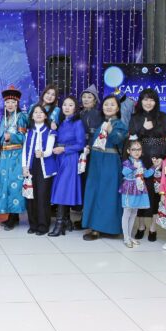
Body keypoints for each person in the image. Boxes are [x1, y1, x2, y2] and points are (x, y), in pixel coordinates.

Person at [82, 95, 128, 240]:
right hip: (96, 162)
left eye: (112, 104)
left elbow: (117, 140)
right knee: (94, 192)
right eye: (106, 104)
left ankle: (106, 228)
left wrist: (110, 130)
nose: (108, 107)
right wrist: (88, 148)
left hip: (110, 162)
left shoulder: (120, 124)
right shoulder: (100, 123)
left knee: (107, 194)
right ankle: (93, 226)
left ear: (118, 108)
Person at [129, 88, 166, 242]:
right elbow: (132, 139)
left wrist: (162, 158)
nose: (148, 102)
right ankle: (141, 226)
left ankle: (153, 227)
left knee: (155, 195)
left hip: (158, 161)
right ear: (140, 101)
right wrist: (143, 129)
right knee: (140, 192)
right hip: (140, 160)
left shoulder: (163, 117)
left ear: (156, 102)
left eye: (152, 99)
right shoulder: (135, 118)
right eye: (145, 99)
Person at [49, 97, 86, 236]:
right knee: (61, 189)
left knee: (62, 189)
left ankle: (59, 224)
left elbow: (80, 144)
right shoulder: (61, 123)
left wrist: (64, 149)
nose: (67, 107)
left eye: (70, 105)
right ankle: (66, 220)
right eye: (64, 104)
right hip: (59, 158)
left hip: (70, 158)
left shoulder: (77, 123)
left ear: (75, 108)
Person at [0, 86, 28, 231]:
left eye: (13, 102)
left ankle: (14, 217)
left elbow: (24, 137)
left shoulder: (21, 117)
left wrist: (11, 137)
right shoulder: (4, 119)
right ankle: (10, 215)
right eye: (7, 102)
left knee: (15, 185)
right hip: (4, 156)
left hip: (16, 155)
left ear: (17, 103)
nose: (10, 105)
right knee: (5, 185)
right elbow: (2, 138)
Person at [22, 104, 57, 235]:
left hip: (44, 166)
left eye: (41, 112)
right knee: (30, 196)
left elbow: (50, 150)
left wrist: (43, 153)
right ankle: (33, 224)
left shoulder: (50, 131)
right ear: (32, 116)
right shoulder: (28, 132)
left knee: (42, 196)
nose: (38, 114)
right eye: (35, 112)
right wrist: (24, 167)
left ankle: (43, 225)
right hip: (31, 165)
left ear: (45, 116)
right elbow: (24, 151)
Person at [74, 85, 103, 228]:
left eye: (89, 97)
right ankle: (84, 216)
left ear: (95, 100)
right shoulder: (79, 113)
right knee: (81, 183)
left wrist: (89, 146)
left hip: (89, 153)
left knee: (88, 184)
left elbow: (96, 135)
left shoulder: (96, 114)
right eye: (84, 97)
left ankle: (87, 218)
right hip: (79, 151)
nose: (86, 99)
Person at [120, 140, 156, 248]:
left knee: (134, 213)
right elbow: (124, 172)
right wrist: (133, 166)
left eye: (139, 149)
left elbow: (146, 174)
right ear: (128, 151)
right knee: (127, 213)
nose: (136, 152)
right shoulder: (127, 162)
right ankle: (126, 238)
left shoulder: (140, 162)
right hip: (129, 189)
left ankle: (129, 236)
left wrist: (154, 166)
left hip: (138, 189)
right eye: (134, 149)